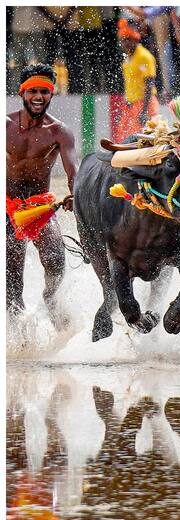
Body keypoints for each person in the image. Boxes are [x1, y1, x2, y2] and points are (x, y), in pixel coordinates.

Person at [6, 64, 78, 326]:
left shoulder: (59, 131)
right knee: (11, 274)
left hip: (40, 206)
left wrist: (76, 194)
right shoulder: (5, 126)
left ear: (51, 94)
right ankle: (17, 336)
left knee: (56, 260)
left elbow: (74, 171)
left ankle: (52, 302)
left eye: (45, 92)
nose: (39, 97)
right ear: (22, 93)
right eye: (33, 91)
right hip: (8, 207)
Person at [116, 19, 161, 141]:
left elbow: (149, 83)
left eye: (128, 39)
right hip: (131, 105)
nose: (125, 43)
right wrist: (124, 106)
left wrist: (144, 111)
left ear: (135, 39)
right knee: (127, 140)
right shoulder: (128, 58)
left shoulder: (145, 57)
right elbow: (129, 85)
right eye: (123, 40)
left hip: (145, 104)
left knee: (145, 140)